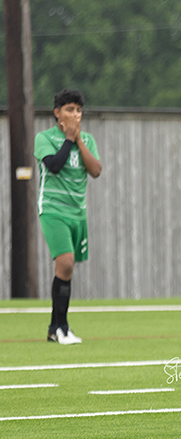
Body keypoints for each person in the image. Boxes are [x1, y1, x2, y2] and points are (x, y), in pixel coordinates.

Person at [34, 89, 102, 345]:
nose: (75, 114)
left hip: (77, 212)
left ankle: (56, 327)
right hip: (53, 210)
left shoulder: (87, 139)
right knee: (65, 263)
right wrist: (68, 139)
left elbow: (95, 170)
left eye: (78, 110)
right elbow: (53, 165)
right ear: (57, 113)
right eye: (70, 109)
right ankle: (61, 327)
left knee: (67, 269)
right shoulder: (45, 138)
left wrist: (79, 140)